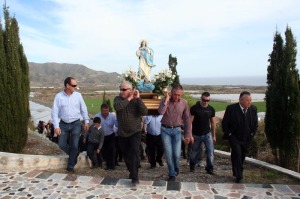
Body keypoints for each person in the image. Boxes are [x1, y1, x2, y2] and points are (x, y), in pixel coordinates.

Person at [51, 77, 90, 173]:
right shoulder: (58, 97)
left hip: (76, 123)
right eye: (73, 85)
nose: (75, 87)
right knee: (61, 144)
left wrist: (86, 121)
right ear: (67, 85)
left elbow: (83, 109)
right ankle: (75, 154)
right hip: (63, 124)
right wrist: (56, 126)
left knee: (75, 144)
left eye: (76, 85)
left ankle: (70, 166)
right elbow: (54, 113)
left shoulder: (78, 96)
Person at [113, 81, 148, 184]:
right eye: (121, 89)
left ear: (131, 90)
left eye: (124, 90)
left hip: (135, 132)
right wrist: (129, 98)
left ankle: (135, 177)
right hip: (122, 133)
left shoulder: (136, 100)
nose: (121, 91)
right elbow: (118, 107)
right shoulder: (117, 99)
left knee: (134, 152)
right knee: (126, 155)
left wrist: (137, 98)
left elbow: (144, 112)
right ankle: (132, 171)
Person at [222, 91, 258, 183]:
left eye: (250, 100)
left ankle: (237, 171)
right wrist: (229, 135)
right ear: (241, 100)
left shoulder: (253, 109)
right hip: (234, 137)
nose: (249, 102)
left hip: (247, 138)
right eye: (247, 100)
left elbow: (255, 124)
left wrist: (251, 135)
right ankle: (239, 175)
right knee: (237, 153)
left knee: (242, 156)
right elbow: (225, 123)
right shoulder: (231, 108)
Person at [158, 84, 191, 181]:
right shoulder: (165, 100)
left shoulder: (184, 103)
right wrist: (166, 100)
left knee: (176, 154)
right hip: (165, 130)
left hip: (177, 130)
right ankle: (172, 174)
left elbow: (187, 119)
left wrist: (188, 134)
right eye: (175, 94)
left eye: (179, 95)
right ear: (171, 93)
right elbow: (161, 112)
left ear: (182, 94)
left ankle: (176, 167)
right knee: (168, 154)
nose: (177, 97)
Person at [189, 92, 216, 175]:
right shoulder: (194, 108)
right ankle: (192, 164)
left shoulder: (211, 109)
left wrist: (214, 135)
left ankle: (209, 168)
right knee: (194, 152)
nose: (206, 102)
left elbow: (213, 122)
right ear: (201, 98)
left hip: (207, 134)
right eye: (204, 100)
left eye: (208, 100)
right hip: (196, 134)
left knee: (210, 152)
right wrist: (190, 135)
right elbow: (190, 122)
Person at [94, 103, 118, 170]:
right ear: (101, 110)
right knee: (104, 151)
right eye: (103, 111)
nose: (105, 112)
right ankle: (108, 164)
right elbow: (95, 127)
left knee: (112, 150)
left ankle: (112, 165)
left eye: (106, 111)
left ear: (108, 110)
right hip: (102, 136)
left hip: (111, 135)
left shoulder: (112, 116)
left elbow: (116, 124)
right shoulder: (97, 116)